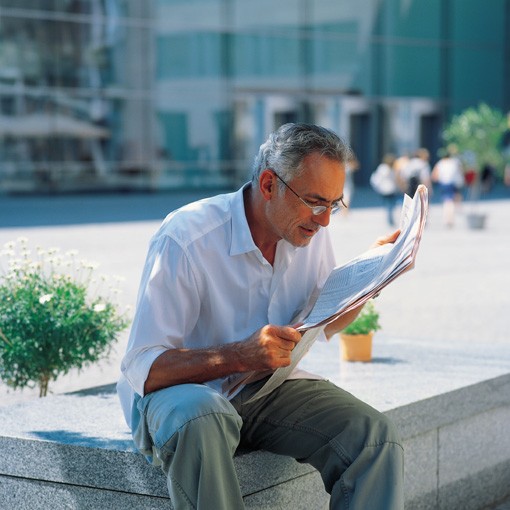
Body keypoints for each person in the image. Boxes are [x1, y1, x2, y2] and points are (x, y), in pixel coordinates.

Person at [117, 123, 404, 510]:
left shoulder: (309, 232)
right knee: (204, 417)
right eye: (316, 202)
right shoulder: (186, 236)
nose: (325, 221)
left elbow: (327, 321)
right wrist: (240, 355)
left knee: (374, 438)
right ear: (269, 184)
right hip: (182, 398)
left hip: (265, 389)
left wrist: (374, 275)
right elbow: (144, 368)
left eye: (334, 205)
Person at [431, 147, 465, 228]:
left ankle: (447, 218)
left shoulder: (440, 163)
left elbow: (434, 175)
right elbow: (460, 172)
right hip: (452, 183)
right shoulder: (454, 162)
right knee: (450, 201)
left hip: (443, 183)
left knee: (447, 201)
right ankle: (450, 218)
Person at [370, 153, 402, 226]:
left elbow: (377, 179)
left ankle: (390, 219)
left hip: (384, 189)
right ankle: (390, 219)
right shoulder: (392, 168)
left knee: (389, 204)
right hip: (391, 189)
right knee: (391, 204)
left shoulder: (382, 168)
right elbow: (396, 179)